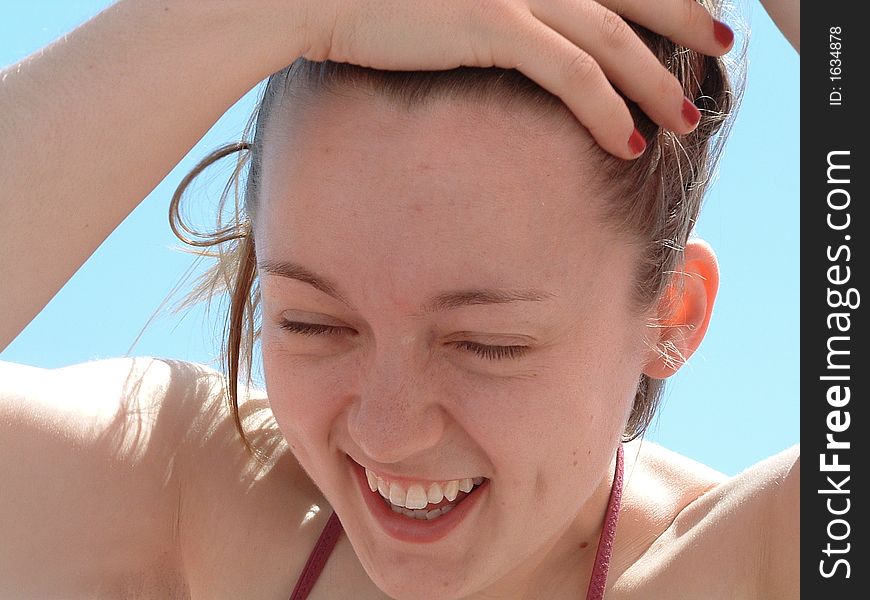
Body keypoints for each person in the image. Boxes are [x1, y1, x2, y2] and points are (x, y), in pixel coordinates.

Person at [0, 0, 799, 598]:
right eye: (313, 323)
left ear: (673, 313)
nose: (387, 432)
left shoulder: (757, 563)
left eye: (486, 343)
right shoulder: (190, 509)